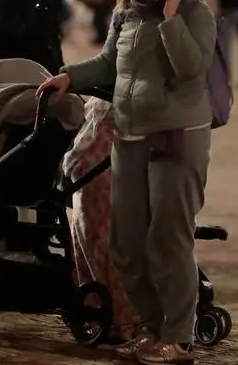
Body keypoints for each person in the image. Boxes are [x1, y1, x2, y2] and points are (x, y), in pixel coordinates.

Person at [38, 0, 215, 364]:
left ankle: (178, 338)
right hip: (130, 136)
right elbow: (107, 65)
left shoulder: (193, 12)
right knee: (127, 242)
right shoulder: (124, 16)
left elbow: (192, 68)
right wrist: (67, 77)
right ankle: (153, 330)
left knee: (169, 240)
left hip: (176, 137)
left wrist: (171, 19)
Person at [62, 98, 139, 342]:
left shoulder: (98, 125)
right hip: (127, 147)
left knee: (95, 240)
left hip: (102, 152)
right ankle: (126, 316)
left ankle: (107, 313)